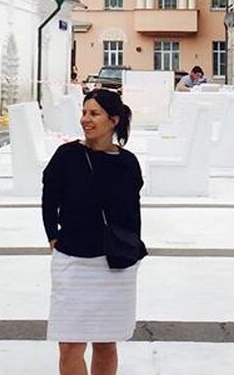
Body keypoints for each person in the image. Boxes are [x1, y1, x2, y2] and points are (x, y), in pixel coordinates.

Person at [43, 88, 144, 375]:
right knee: (69, 346)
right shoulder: (67, 155)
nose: (86, 119)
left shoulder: (127, 163)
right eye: (84, 113)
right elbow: (49, 197)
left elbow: (132, 213)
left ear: (113, 120)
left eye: (94, 113)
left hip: (114, 264)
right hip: (72, 262)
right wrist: (52, 234)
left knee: (105, 342)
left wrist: (131, 250)